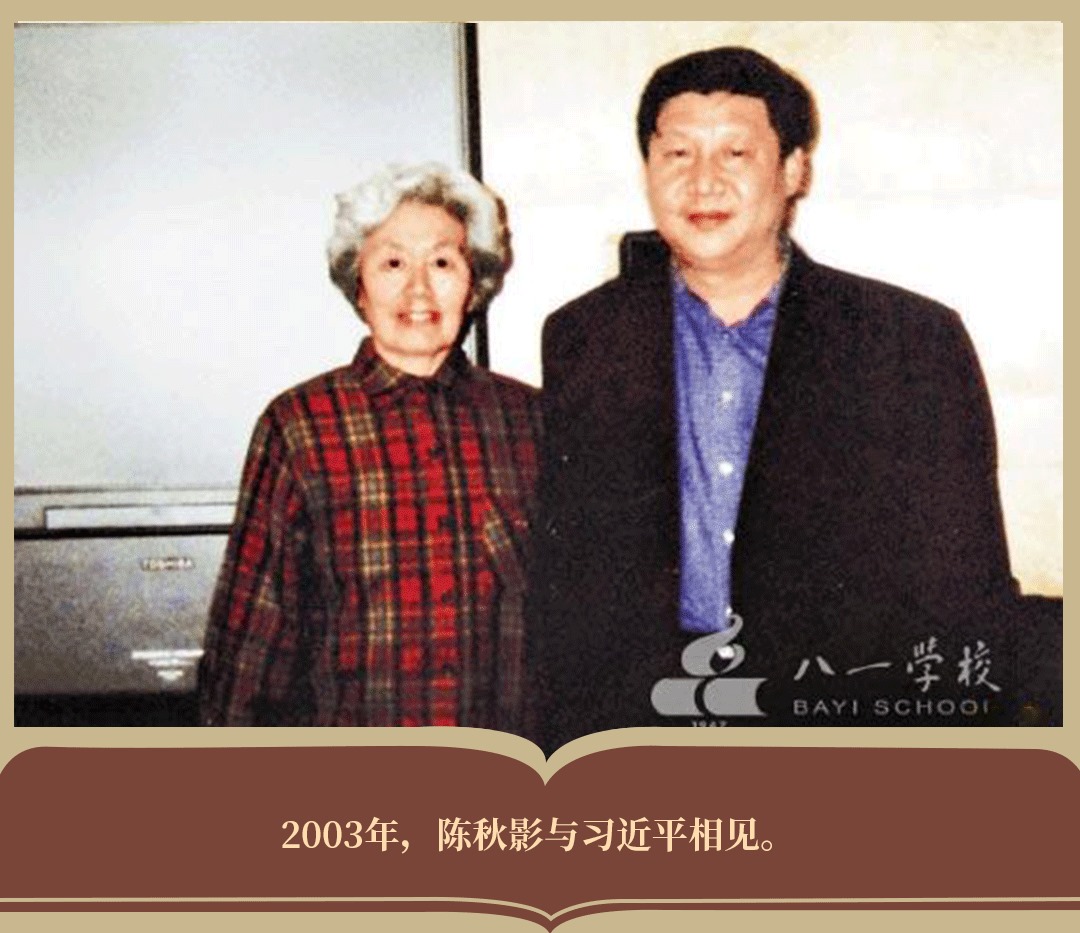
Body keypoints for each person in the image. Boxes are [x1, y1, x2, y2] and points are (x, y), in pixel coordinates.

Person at [527, 47, 1029, 750]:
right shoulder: (584, 336)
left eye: (735, 152)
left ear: (794, 170)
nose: (703, 181)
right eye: (677, 153)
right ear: (647, 169)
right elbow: (568, 575)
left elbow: (963, 579)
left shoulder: (907, 339)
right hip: (640, 727)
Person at [199, 163, 540, 729]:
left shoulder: (530, 421)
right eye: (393, 263)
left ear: (475, 281)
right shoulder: (300, 427)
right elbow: (250, 647)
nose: (418, 289)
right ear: (359, 285)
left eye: (442, 263)